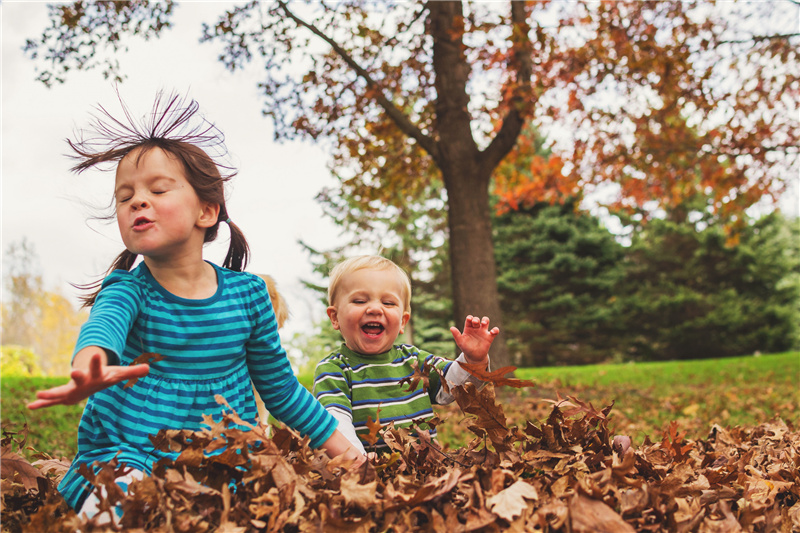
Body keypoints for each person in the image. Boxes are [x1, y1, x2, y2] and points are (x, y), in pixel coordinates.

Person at [27, 92, 362, 519]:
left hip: (224, 460)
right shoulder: (128, 290)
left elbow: (281, 390)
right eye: (124, 196)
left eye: (157, 188)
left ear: (207, 211)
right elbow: (104, 325)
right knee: (119, 509)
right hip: (131, 452)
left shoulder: (248, 295)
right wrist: (91, 361)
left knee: (259, 514)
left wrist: (343, 450)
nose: (136, 201)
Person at [313, 255, 499, 454]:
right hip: (367, 470)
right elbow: (336, 421)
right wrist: (357, 461)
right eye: (359, 301)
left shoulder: (413, 360)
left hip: (423, 466)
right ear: (335, 317)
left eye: (388, 303)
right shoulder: (333, 370)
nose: (375, 309)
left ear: (403, 321)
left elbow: (451, 389)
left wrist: (474, 360)